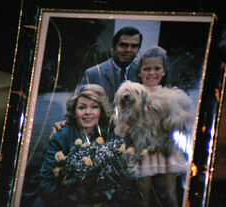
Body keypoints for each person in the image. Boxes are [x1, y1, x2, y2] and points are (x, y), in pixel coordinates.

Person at [29, 84, 112, 206]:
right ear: (73, 112)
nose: (88, 112)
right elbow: (46, 182)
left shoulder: (105, 136)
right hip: (60, 200)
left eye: (94, 107)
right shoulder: (61, 136)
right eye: (82, 107)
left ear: (101, 111)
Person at [133, 46, 192, 207]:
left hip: (166, 151)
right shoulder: (133, 94)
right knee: (142, 197)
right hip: (142, 152)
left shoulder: (173, 96)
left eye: (157, 68)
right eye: (147, 69)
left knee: (169, 195)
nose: (152, 73)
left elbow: (182, 123)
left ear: (164, 71)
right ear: (139, 72)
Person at [79, 26, 143, 102]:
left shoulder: (142, 73)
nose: (128, 50)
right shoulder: (92, 74)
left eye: (134, 46)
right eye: (123, 45)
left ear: (138, 49)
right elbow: (78, 106)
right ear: (113, 47)